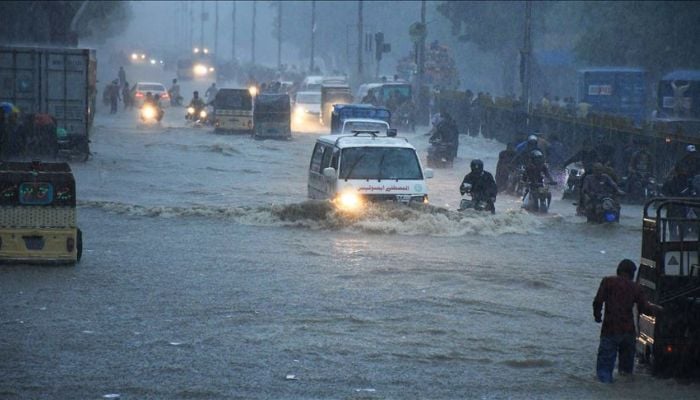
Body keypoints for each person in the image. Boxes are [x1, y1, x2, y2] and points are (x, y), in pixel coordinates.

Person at [593, 259, 651, 383]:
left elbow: (598, 302)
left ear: (618, 270)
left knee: (604, 371)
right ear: (632, 273)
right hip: (628, 332)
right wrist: (656, 309)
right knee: (626, 373)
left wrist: (597, 316)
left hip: (610, 330)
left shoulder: (607, 282)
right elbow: (644, 308)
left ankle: (606, 390)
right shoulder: (636, 287)